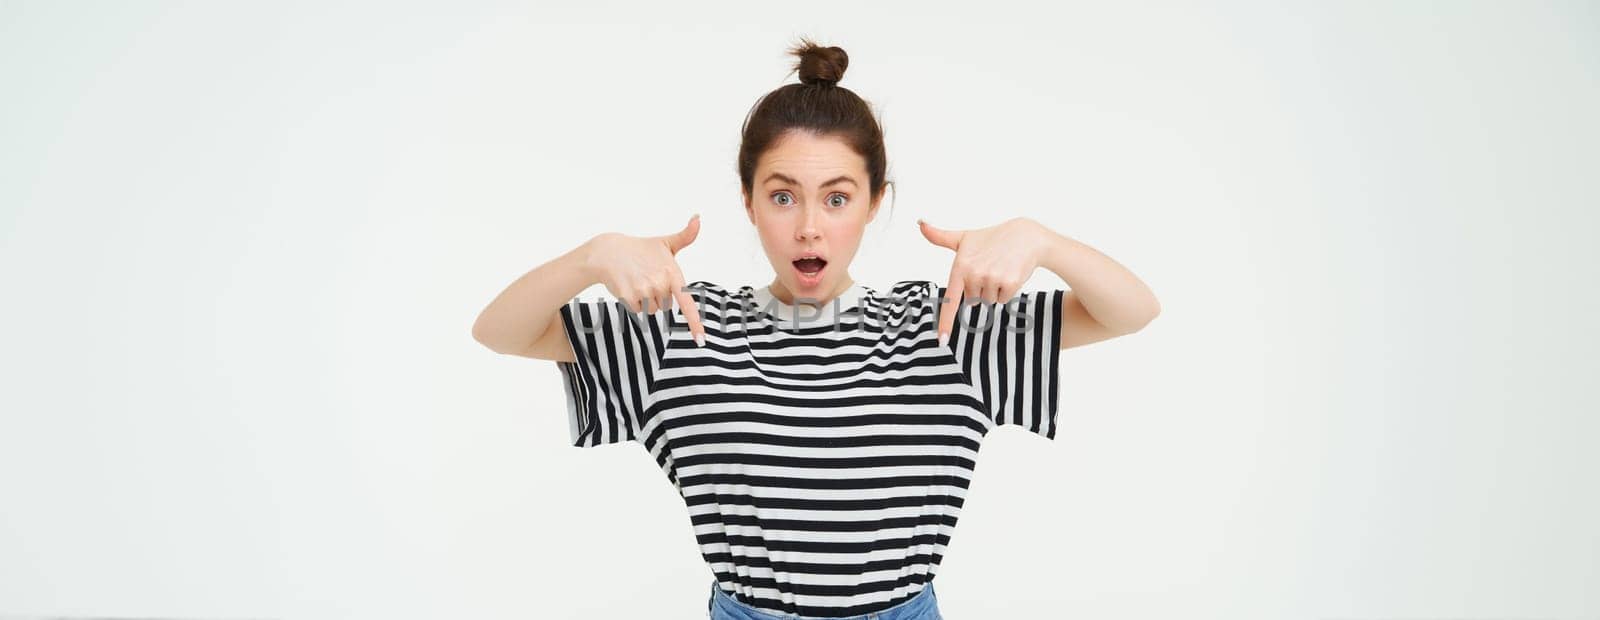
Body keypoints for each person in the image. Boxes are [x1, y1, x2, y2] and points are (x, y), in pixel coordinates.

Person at [472, 36, 1160, 620]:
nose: (808, 225)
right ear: (747, 200)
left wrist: (1042, 242)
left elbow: (1131, 310)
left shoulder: (948, 325)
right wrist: (593, 256)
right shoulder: (681, 326)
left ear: (873, 203)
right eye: (781, 196)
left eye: (837, 197)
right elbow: (500, 332)